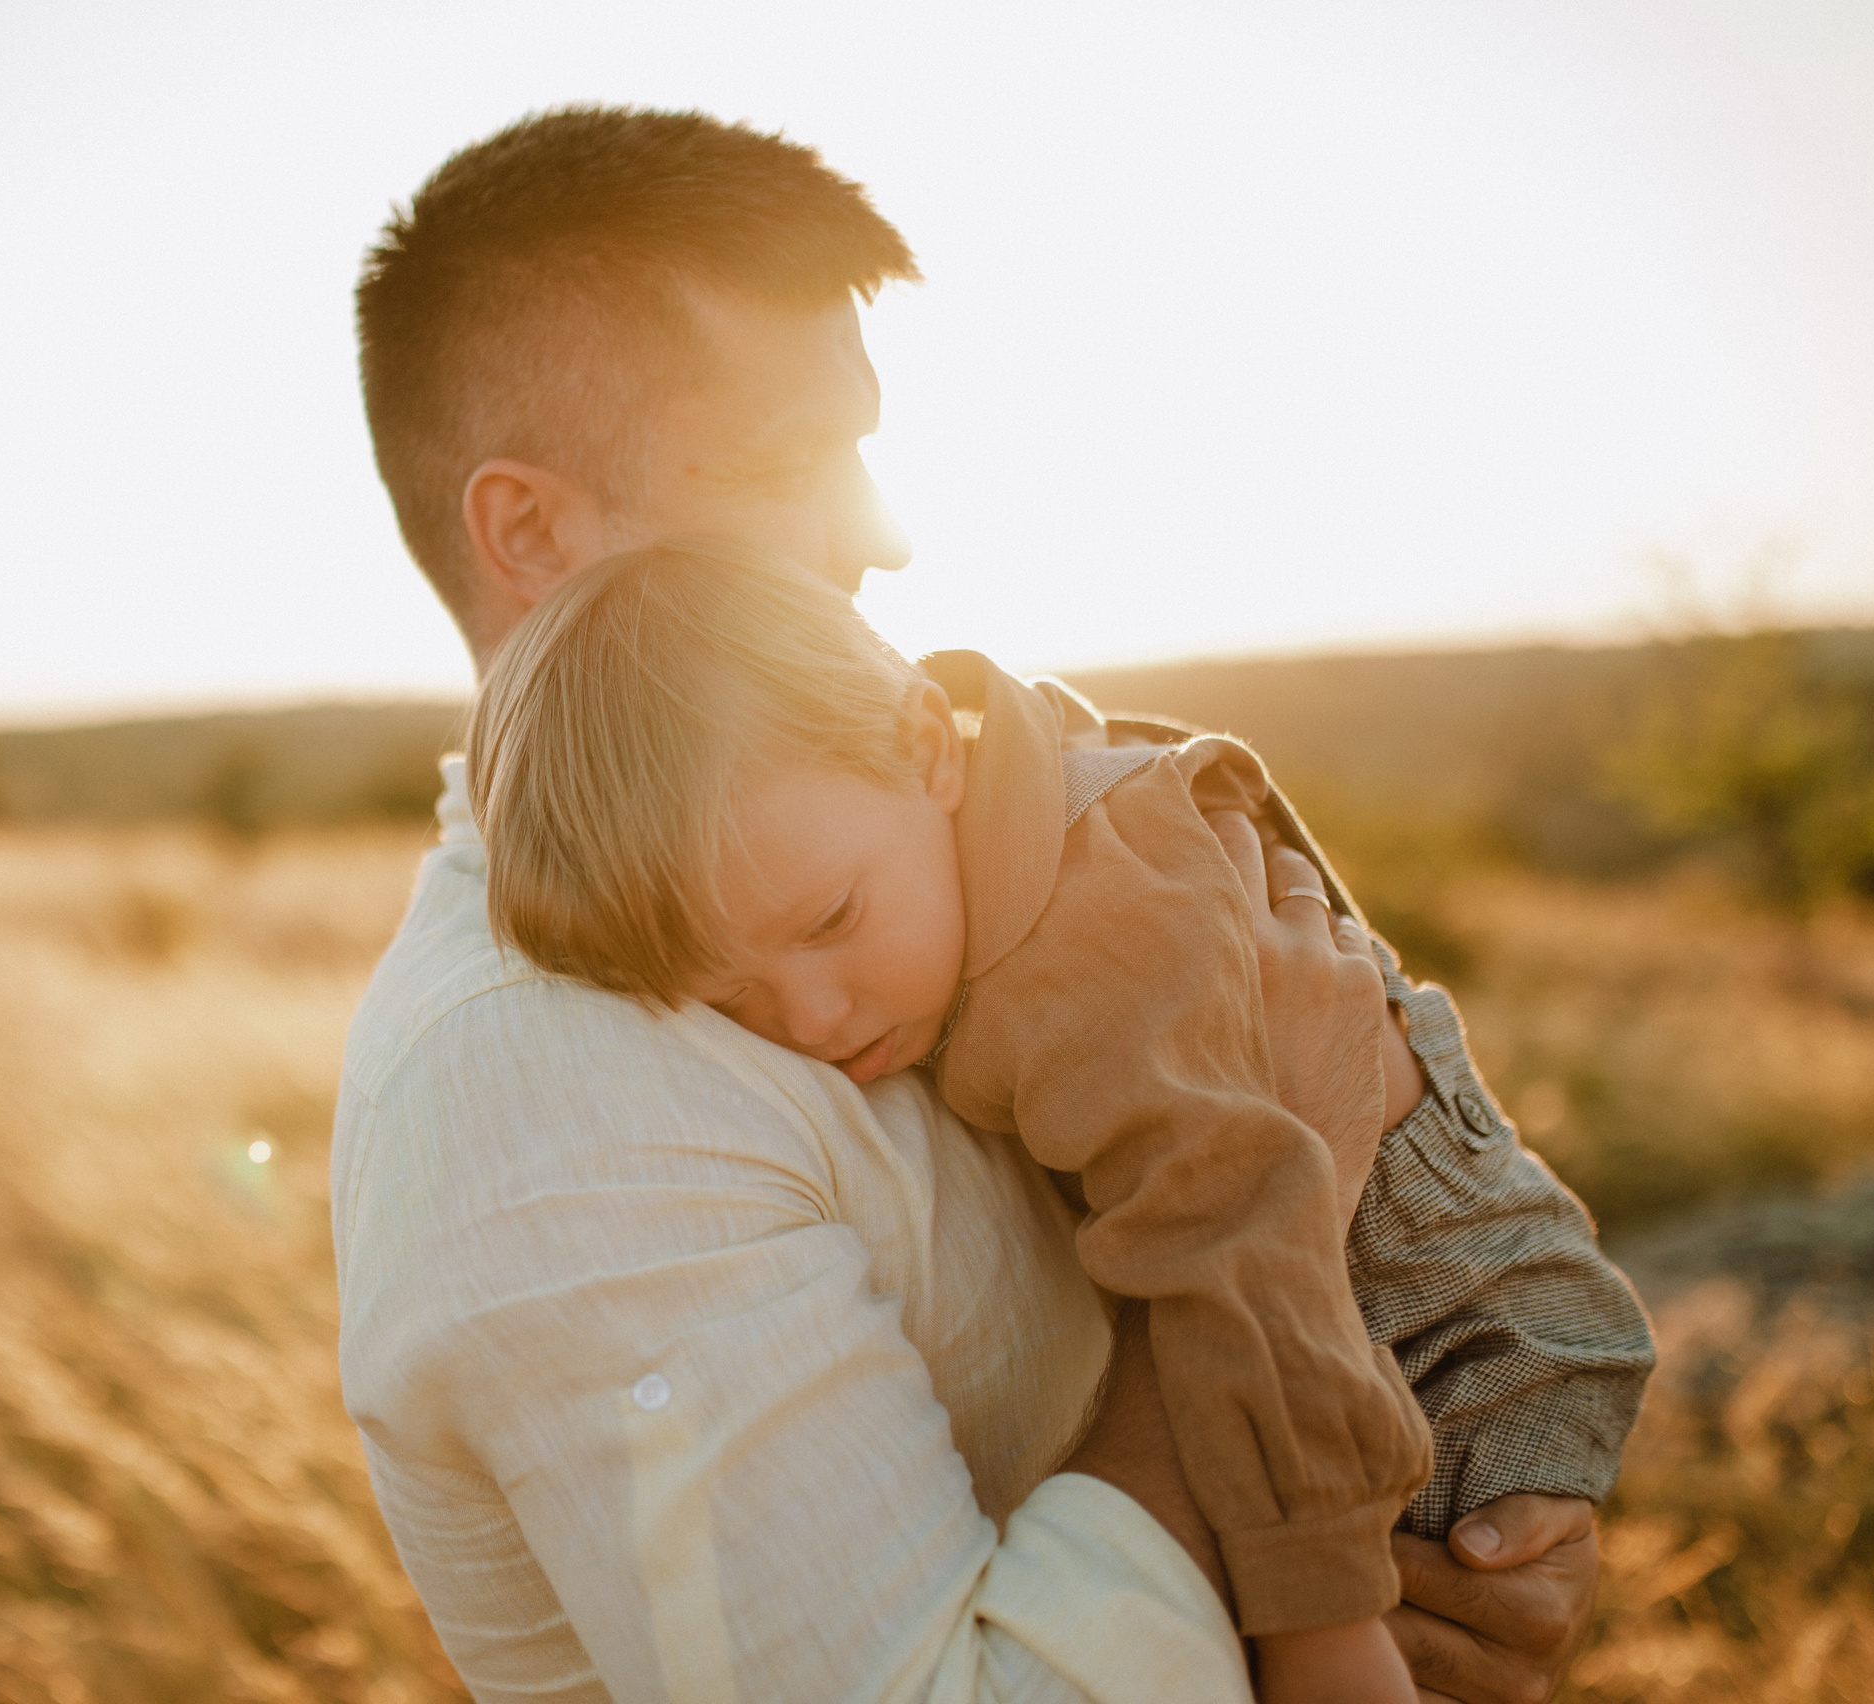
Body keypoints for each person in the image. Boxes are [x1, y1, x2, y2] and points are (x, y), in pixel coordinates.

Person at [338, 106, 1654, 1701]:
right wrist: (1285, 1162)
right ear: (533, 531)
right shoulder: (540, 1086)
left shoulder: (907, 863)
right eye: (784, 465)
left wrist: (1489, 1496)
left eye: (861, 449)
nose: (885, 536)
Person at [467, 540, 1443, 1700]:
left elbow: (1241, 1238)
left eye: (830, 920)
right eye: (727, 999)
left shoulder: (1091, 935)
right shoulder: (932, 854)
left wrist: (1322, 1621)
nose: (810, 1019)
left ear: (929, 748)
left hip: (1447, 1297)